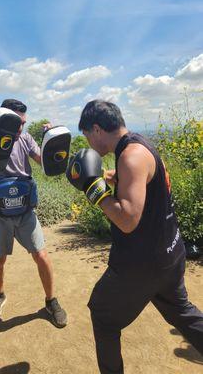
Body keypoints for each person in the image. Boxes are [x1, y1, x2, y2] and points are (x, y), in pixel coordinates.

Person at [67, 100, 203, 373]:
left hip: (141, 264)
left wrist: (94, 190)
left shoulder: (130, 157)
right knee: (182, 312)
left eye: (87, 136)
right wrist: (120, 179)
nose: (90, 143)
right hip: (169, 252)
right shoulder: (140, 146)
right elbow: (147, 183)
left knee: (103, 315)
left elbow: (127, 220)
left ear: (96, 129)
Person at [0, 98, 67, 328]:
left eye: (23, 123)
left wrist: (51, 140)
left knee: (41, 256)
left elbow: (44, 162)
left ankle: (51, 301)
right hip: (0, 213)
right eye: (16, 123)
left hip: (25, 211)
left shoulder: (25, 139)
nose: (20, 128)